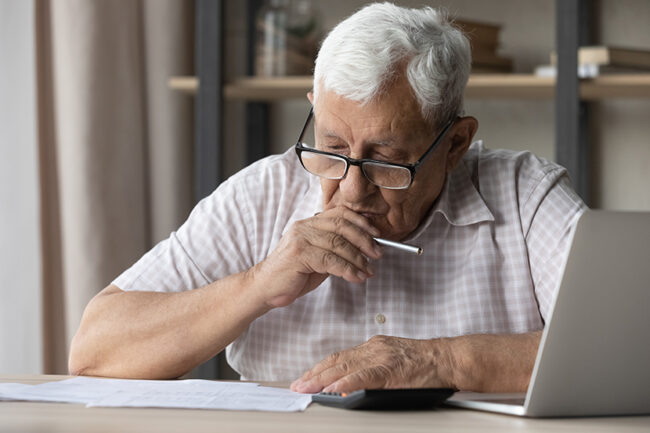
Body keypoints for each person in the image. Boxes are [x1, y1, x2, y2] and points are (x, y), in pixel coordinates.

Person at [69, 3, 585, 394]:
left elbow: (627, 350)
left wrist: (441, 361)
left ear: (454, 144)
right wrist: (258, 286)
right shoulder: (263, 194)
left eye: (385, 160)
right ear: (314, 111)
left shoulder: (525, 195)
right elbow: (95, 354)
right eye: (332, 147)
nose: (352, 189)